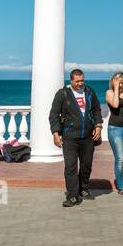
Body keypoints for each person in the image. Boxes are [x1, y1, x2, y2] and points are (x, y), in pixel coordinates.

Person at [49, 69, 102, 206]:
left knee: (86, 165)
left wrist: (98, 126)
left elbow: (96, 110)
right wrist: (56, 134)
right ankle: (72, 195)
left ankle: (83, 188)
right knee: (70, 166)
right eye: (77, 81)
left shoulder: (90, 92)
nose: (80, 83)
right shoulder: (63, 94)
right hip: (69, 136)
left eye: (82, 80)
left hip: (88, 136)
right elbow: (53, 115)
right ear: (71, 81)